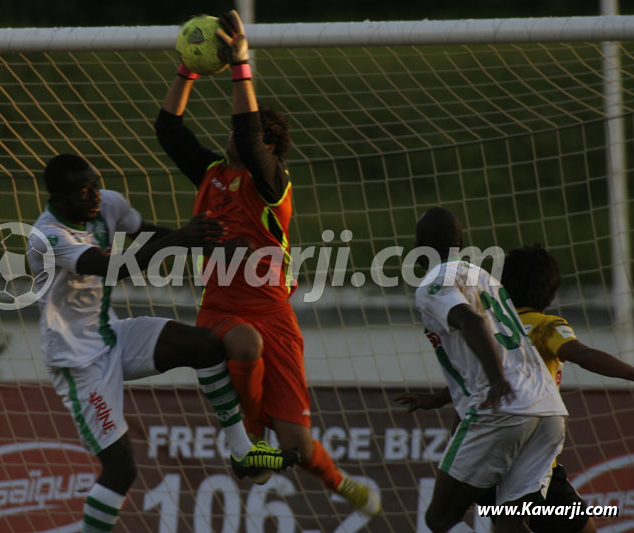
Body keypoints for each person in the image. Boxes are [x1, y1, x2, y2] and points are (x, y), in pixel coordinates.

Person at [154, 9, 380, 516]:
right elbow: (169, 131)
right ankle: (251, 436)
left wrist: (240, 65)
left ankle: (338, 479)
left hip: (276, 316)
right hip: (221, 308)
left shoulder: (272, 185)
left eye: (246, 136)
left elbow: (250, 137)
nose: (230, 137)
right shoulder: (212, 172)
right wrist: (187, 70)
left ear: (272, 148)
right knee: (242, 342)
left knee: (297, 448)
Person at [27, 153, 300, 532]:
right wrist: (181, 238)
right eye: (83, 190)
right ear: (58, 198)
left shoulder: (108, 202)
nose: (94, 195)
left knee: (204, 345)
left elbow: (146, 233)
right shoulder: (48, 237)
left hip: (112, 334)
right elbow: (112, 267)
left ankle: (244, 453)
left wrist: (209, 248)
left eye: (95, 182)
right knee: (121, 470)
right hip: (77, 361)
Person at [397, 243, 634, 533]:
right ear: (551, 291)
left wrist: (439, 401)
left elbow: (476, 385)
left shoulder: (491, 326)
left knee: (500, 524)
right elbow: (583, 355)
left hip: (492, 443)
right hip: (533, 445)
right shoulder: (544, 326)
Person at [407, 207, 568, 533]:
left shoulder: (432, 285)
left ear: (419, 248)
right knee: (507, 519)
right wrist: (440, 398)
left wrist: (496, 380)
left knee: (438, 518)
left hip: (502, 408)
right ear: (461, 241)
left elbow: (472, 321)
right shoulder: (486, 278)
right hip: (548, 409)